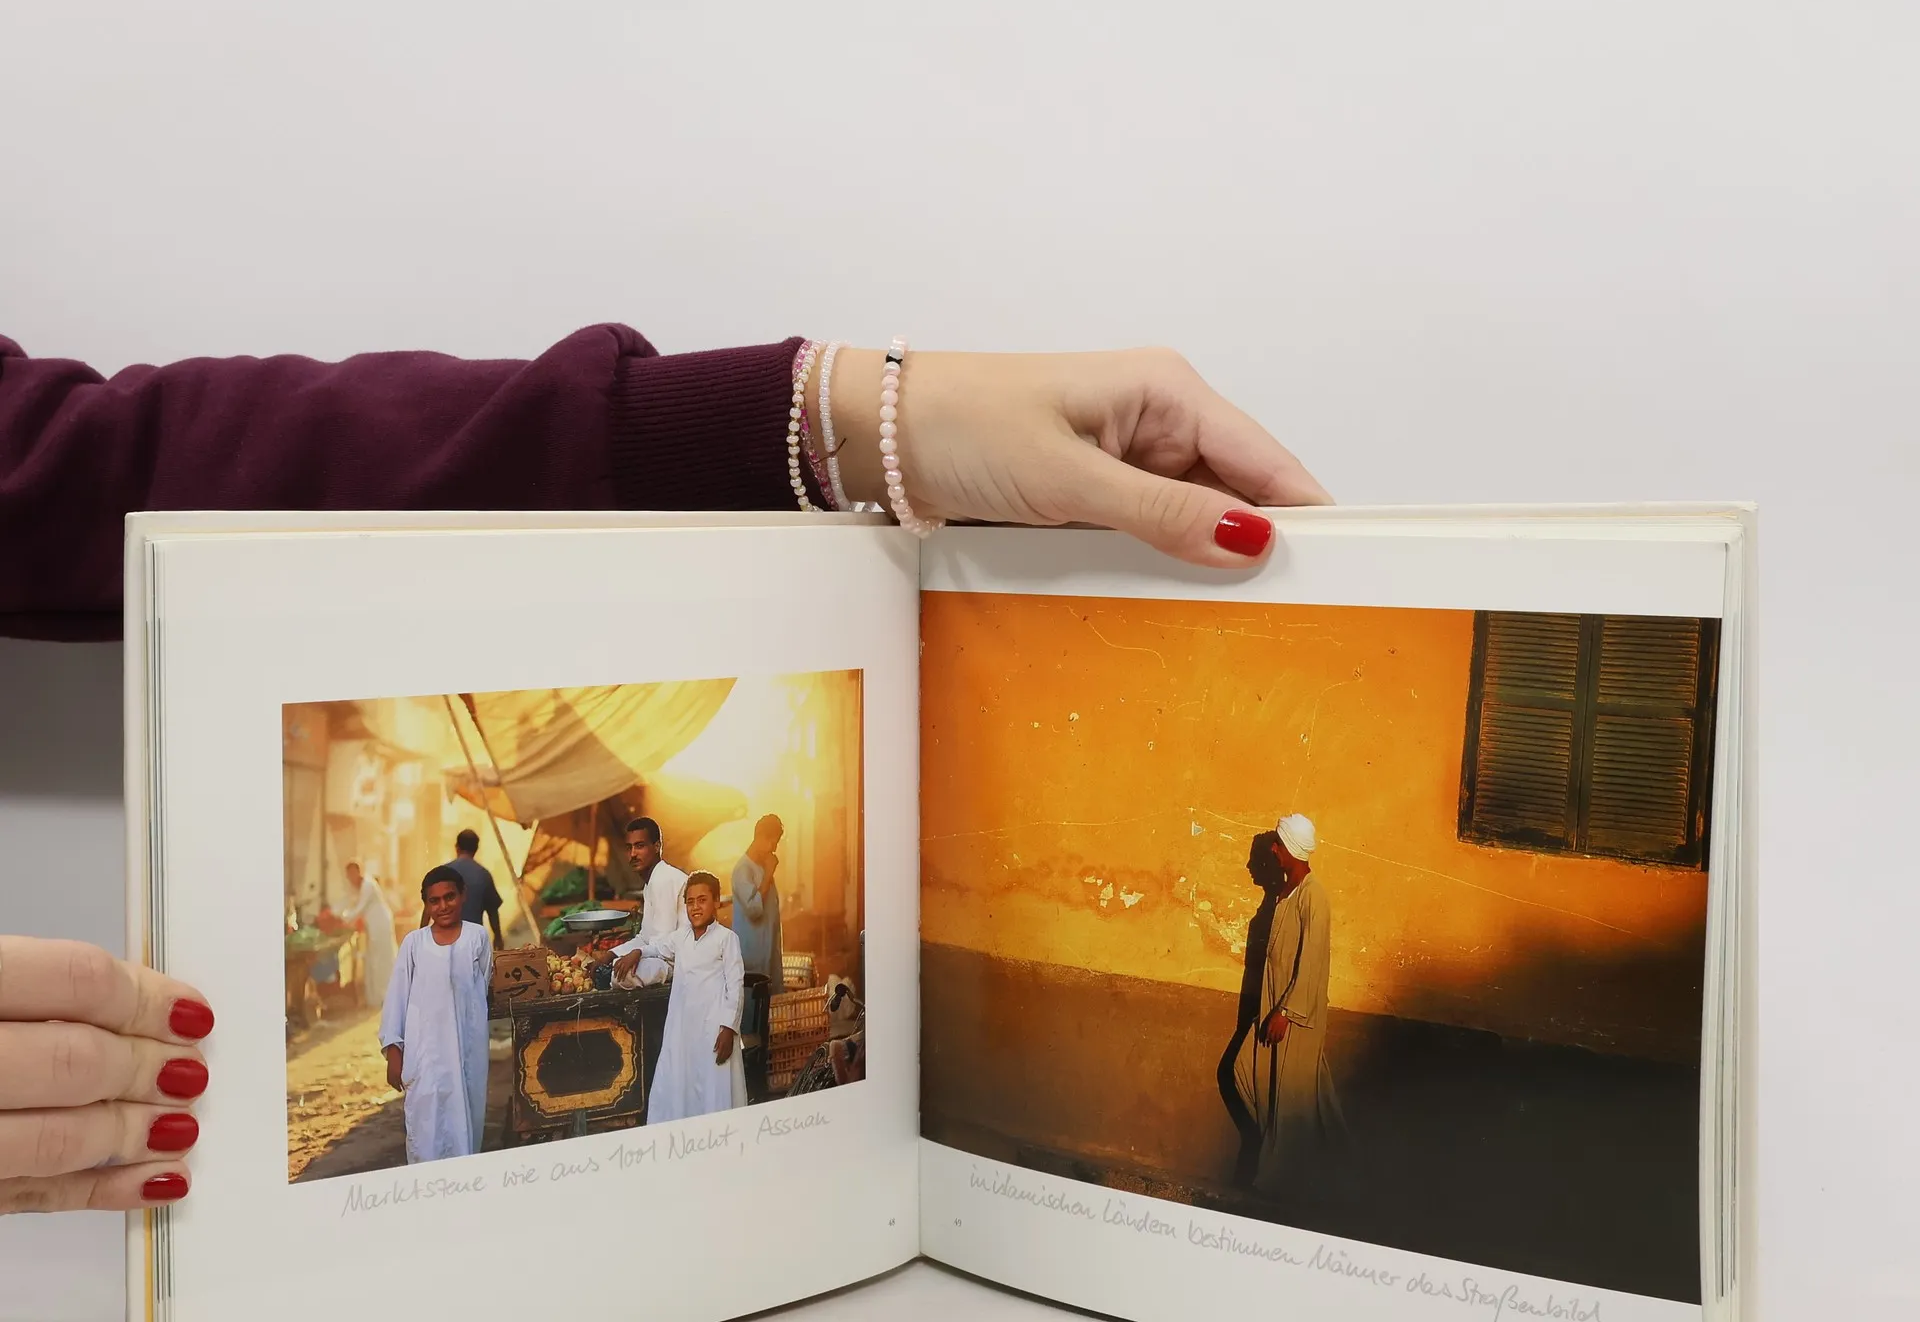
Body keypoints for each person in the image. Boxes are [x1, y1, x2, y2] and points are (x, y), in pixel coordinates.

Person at [0, 329, 1327, 1211]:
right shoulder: (583, 911)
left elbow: (67, 463)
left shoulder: (712, 904)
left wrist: (849, 416)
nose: (667, 868)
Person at [1249, 814, 1345, 1197]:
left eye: (1278, 844)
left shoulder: (1313, 896)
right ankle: (1335, 1165)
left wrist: (1286, 1012)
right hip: (1274, 1003)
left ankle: (1280, 1184)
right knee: (1254, 1075)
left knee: (1291, 1100)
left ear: (1290, 849)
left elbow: (1313, 960)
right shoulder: (1284, 892)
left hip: (1296, 1014)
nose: (1272, 850)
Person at [379, 865, 494, 1164]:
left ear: (463, 895)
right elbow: (397, 997)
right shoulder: (414, 944)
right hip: (425, 1053)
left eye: (449, 897)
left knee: (465, 1124)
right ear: (426, 905)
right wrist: (394, 1051)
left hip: (466, 1052)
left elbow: (481, 988)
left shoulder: (477, 937)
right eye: (435, 900)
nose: (443, 906)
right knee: (425, 1128)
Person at [1216, 828, 1291, 1190]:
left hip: (1278, 1011)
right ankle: (1262, 1154)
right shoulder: (1278, 900)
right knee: (1240, 1075)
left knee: (1237, 1071)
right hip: (1260, 1006)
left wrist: (1285, 1011)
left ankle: (1263, 1155)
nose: (1250, 866)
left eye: (1258, 858)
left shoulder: (1300, 901)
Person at [642, 872, 747, 1125]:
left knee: (713, 1084)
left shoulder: (726, 939)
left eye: (702, 900)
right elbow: (657, 947)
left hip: (714, 1028)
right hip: (683, 1029)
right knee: (681, 1082)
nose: (695, 907)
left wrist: (728, 1028)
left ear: (716, 902)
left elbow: (735, 986)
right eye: (690, 902)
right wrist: (637, 953)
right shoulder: (681, 938)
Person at [610, 816, 688, 988]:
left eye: (639, 846)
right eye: (629, 848)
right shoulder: (651, 882)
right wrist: (611, 954)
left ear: (657, 846)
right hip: (660, 956)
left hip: (679, 962)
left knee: (622, 975)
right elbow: (646, 937)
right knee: (615, 966)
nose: (633, 854)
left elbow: (665, 943)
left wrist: (638, 953)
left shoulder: (664, 879)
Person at [730, 815, 786, 994]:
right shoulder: (742, 869)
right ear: (760, 837)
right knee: (752, 1004)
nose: (774, 848)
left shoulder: (760, 867)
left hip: (766, 954)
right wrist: (769, 873)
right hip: (750, 958)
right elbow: (753, 909)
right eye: (772, 842)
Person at [338, 860, 398, 1010]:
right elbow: (349, 904)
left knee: (382, 960)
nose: (350, 879)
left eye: (351, 874)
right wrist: (340, 915)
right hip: (373, 925)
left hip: (380, 924)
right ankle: (375, 998)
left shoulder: (368, 885)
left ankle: (385, 997)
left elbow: (359, 908)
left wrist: (343, 919)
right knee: (372, 961)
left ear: (358, 872)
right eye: (348, 876)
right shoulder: (358, 888)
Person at [450, 829, 506, 951]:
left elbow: (428, 909)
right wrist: (497, 937)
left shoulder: (444, 872)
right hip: (473, 944)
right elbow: (492, 911)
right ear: (476, 849)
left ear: (457, 847)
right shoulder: (483, 875)